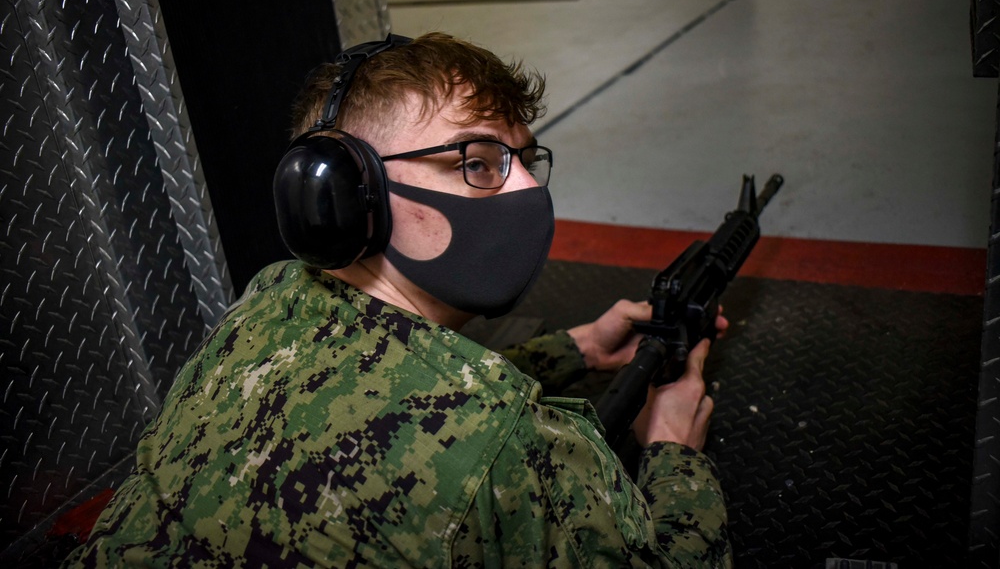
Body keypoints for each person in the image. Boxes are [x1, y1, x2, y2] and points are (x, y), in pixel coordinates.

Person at [66, 32, 732, 567]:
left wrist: (577, 348)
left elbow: (400, 407)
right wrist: (673, 448)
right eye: (477, 163)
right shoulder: (512, 446)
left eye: (525, 161)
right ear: (346, 197)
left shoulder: (272, 297)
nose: (528, 191)